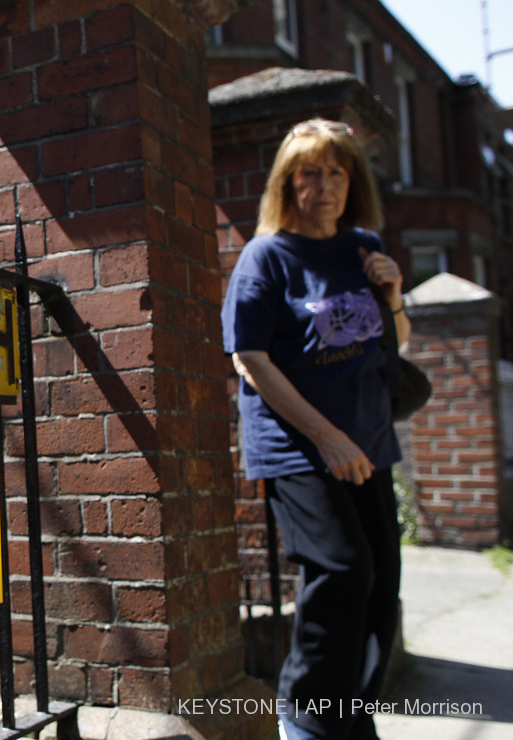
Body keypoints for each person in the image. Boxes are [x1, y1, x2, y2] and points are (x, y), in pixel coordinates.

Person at [221, 118, 409, 740]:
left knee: (381, 589)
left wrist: (395, 296)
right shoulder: (265, 255)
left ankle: (352, 718)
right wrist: (325, 437)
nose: (324, 185)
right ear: (286, 180)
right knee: (343, 570)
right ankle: (305, 720)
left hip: (368, 442)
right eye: (309, 172)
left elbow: (392, 346)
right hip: (300, 447)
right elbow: (249, 358)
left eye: (336, 171)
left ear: (351, 180)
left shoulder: (362, 246)